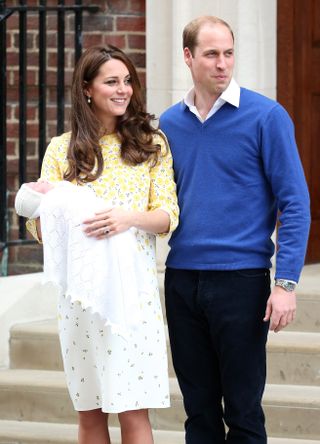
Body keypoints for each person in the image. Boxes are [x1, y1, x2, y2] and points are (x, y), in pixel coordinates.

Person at [160, 16, 310, 444]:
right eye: (211, 54)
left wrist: (285, 282)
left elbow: (295, 203)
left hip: (242, 281)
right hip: (182, 278)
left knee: (243, 413)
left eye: (228, 53)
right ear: (188, 57)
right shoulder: (169, 124)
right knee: (198, 412)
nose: (222, 64)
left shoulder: (267, 117)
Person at [23, 45, 179, 444]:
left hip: (132, 298)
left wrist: (126, 218)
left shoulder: (151, 144)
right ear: (87, 89)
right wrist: (47, 211)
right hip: (80, 299)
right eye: (112, 81)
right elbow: (38, 229)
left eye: (127, 81)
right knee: (90, 414)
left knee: (133, 412)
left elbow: (167, 216)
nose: (123, 89)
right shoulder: (62, 149)